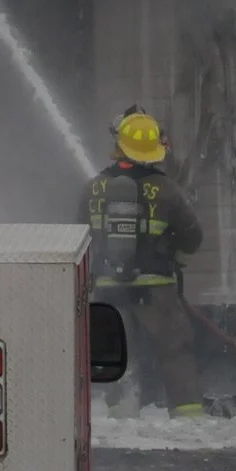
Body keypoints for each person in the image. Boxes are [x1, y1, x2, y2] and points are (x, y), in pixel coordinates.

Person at [86, 107, 209, 415]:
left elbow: (78, 237)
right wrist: (176, 260)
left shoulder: (94, 187)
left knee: (116, 358)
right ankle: (190, 420)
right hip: (156, 290)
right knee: (175, 353)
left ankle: (119, 419)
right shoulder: (165, 188)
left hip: (108, 291)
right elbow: (193, 236)